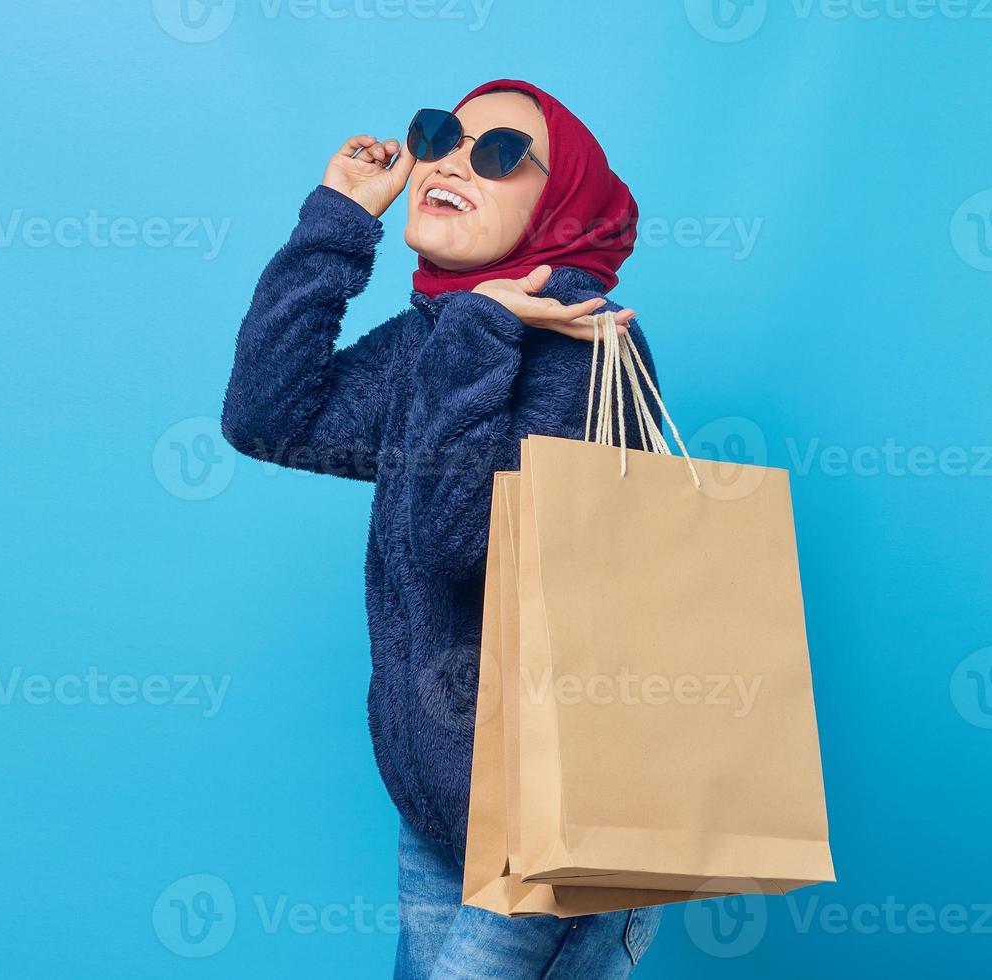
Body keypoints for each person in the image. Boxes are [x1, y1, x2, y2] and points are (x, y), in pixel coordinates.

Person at [222, 78, 663, 978]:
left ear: (559, 206)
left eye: (500, 155)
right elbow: (267, 417)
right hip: (442, 808)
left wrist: (483, 330)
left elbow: (452, 544)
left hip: (558, 828)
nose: (454, 159)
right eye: (442, 136)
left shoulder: (579, 347)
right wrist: (339, 222)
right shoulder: (444, 332)